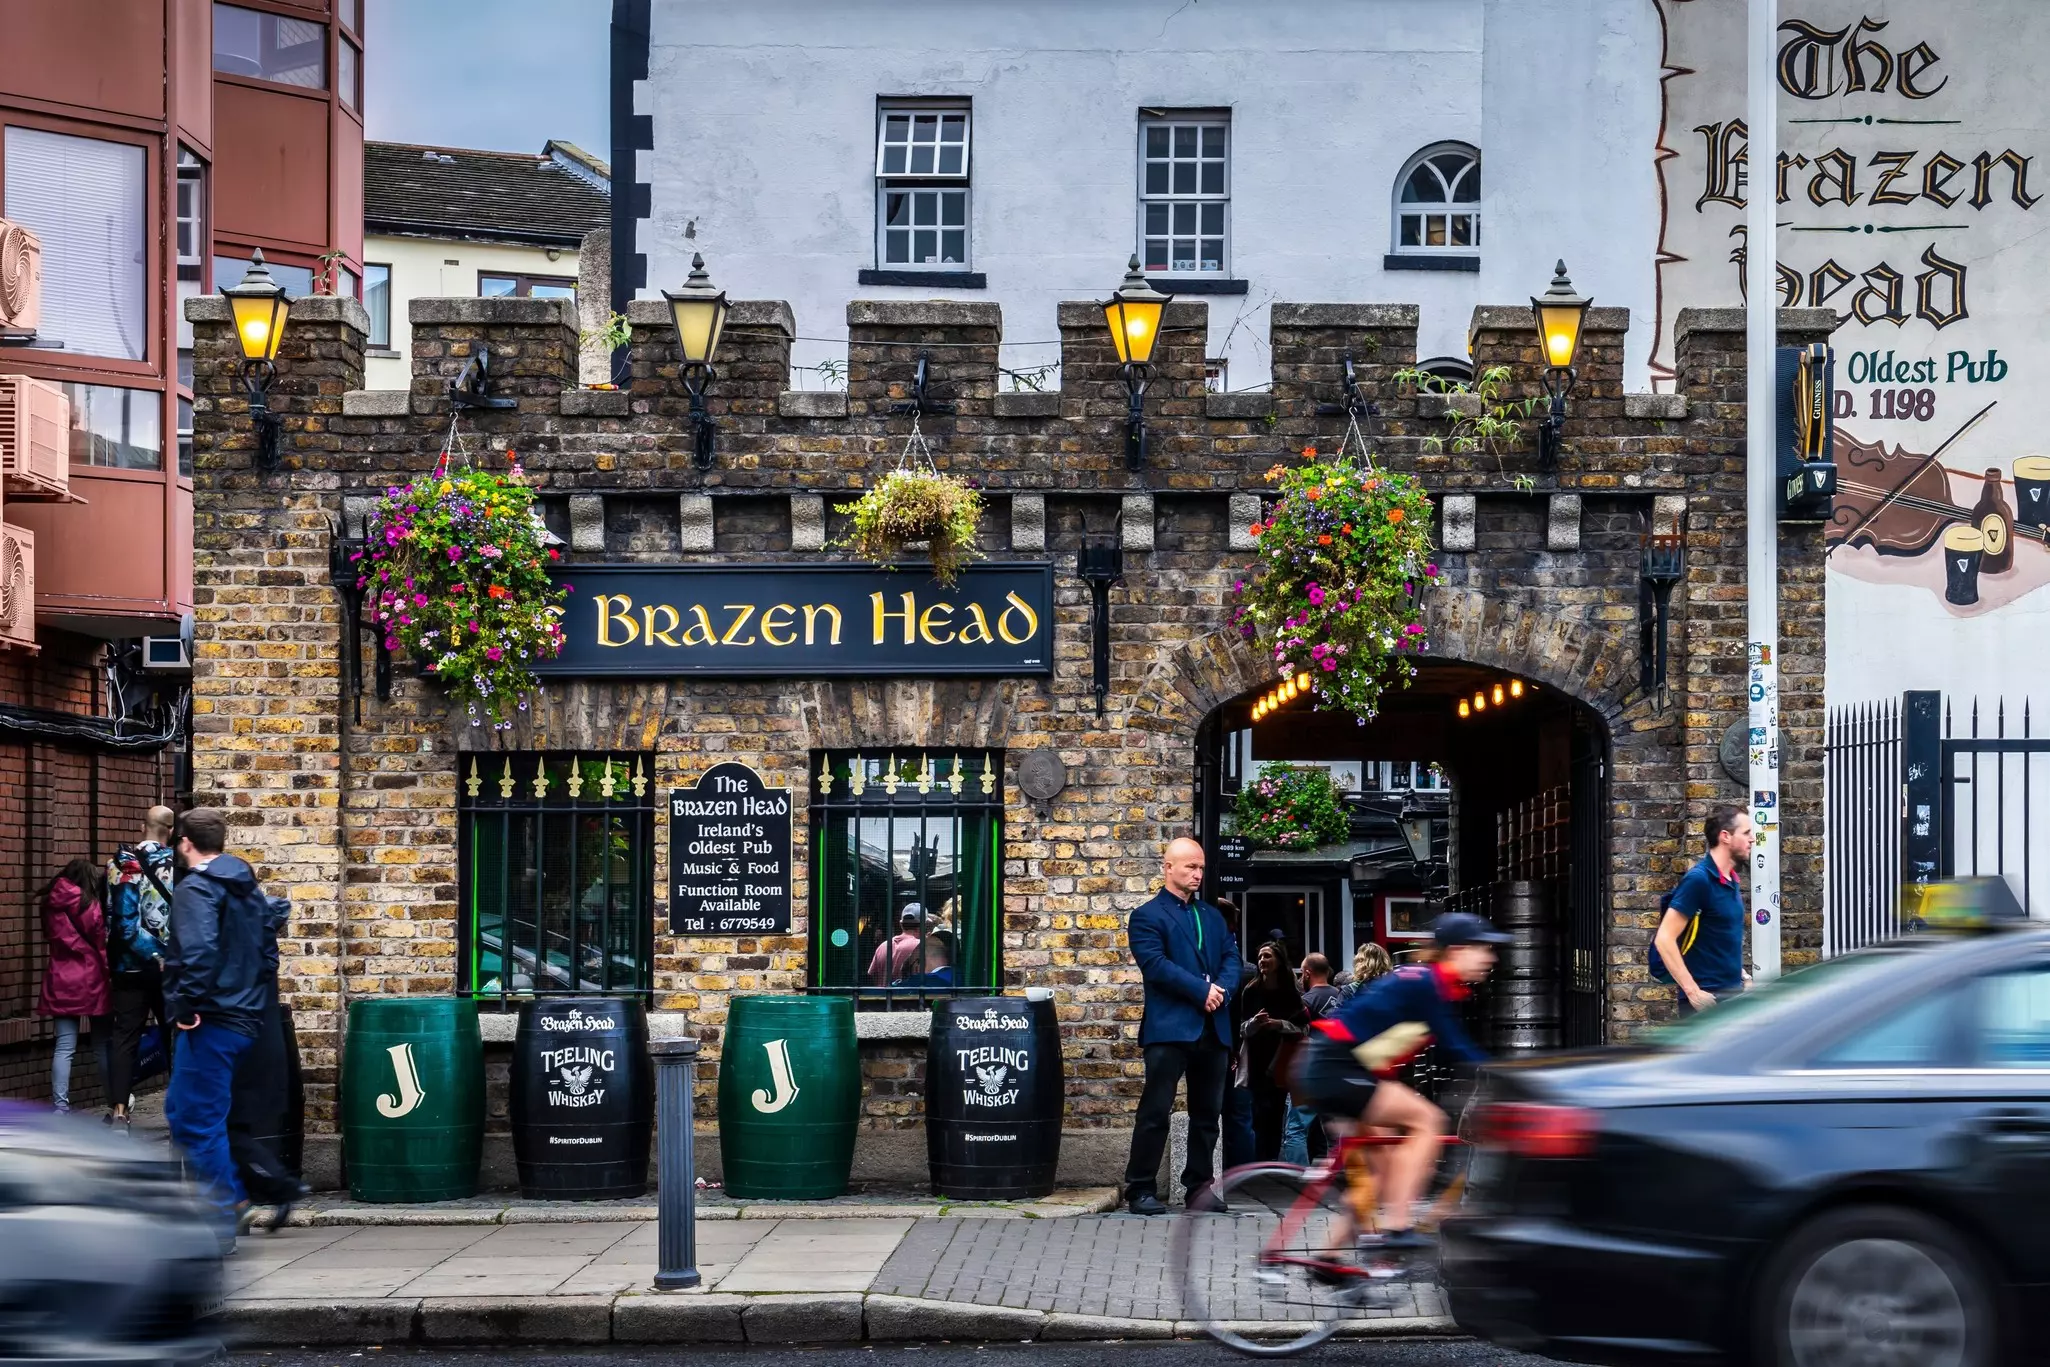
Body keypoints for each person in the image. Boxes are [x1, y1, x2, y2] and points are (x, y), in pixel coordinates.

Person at [1297, 912, 1511, 1264]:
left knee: (1382, 1177)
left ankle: (1327, 1258)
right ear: (1457, 951)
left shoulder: (1429, 983)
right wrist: (1505, 1074)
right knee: (1429, 1122)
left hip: (1338, 1067)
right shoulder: (1430, 985)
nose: (1490, 958)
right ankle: (1398, 1229)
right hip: (1340, 1067)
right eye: (1483, 949)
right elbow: (1454, 1047)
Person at [163, 807, 270, 1250]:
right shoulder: (244, 884)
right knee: (202, 1115)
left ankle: (223, 1217)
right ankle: (235, 1201)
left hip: (211, 1020)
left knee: (191, 1119)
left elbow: (199, 951)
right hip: (244, 1018)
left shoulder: (197, 888)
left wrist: (186, 1004)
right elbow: (268, 949)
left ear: (184, 842)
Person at [1122, 837, 1242, 1216]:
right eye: (1190, 866)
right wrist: (1201, 990)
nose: (1197, 874)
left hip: (1213, 1028)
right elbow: (1156, 966)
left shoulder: (1212, 916)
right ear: (1168, 867)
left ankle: (1199, 1188)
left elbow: (1232, 959)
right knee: (1155, 1112)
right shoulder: (1147, 916)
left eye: (1201, 868)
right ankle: (1140, 1189)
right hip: (1170, 1029)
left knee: (1208, 1116)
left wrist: (1220, 991)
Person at [229, 894, 309, 1231]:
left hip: (242, 1037)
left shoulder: (238, 936)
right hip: (259, 1036)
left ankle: (271, 1190)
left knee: (226, 1127)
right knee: (232, 1128)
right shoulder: (258, 931)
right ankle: (247, 1199)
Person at [106, 806, 177, 1127]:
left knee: (124, 1037)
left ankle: (120, 1112)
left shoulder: (118, 864)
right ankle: (178, 1112)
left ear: (142, 826)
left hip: (127, 968)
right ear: (171, 831)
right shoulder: (177, 864)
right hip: (168, 968)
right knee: (175, 1035)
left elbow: (118, 921)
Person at [1654, 806, 1754, 1016]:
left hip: (1732, 999)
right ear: (1725, 836)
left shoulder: (1730, 880)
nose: (1752, 839)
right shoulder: (1699, 880)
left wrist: (1743, 977)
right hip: (1706, 1003)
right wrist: (1693, 992)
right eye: (1746, 833)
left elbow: (1718, 940)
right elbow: (1664, 939)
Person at [39, 858, 112, 1115]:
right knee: (102, 1044)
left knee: (64, 1046)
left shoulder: (49, 904)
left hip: (60, 977)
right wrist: (109, 972)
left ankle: (60, 1107)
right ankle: (116, 1103)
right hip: (92, 980)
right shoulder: (89, 905)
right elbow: (101, 943)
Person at [1241, 940, 1308, 1160]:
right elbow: (1241, 1029)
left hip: (1283, 1059)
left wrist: (1279, 1024)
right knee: (1259, 1113)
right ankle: (1262, 1161)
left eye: (1267, 956)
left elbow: (1303, 1027)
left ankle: (1271, 1160)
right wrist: (1254, 1023)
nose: (1262, 961)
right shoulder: (1250, 991)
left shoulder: (1291, 991)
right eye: (1260, 957)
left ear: (1279, 960)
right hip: (1258, 1059)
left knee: (1278, 1111)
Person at [1279, 952, 1341, 1165]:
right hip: (1339, 1069)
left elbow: (1292, 1029)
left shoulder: (1306, 1001)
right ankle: (1340, 1179)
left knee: (1296, 1129)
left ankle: (1298, 1182)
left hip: (1311, 1069)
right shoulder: (1342, 996)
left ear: (1307, 973)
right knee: (1335, 1131)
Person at [869, 904, 927, 984]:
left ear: (901, 924)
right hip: (910, 996)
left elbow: (873, 976)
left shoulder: (883, 946)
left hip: (884, 995)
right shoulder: (922, 947)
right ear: (924, 925)